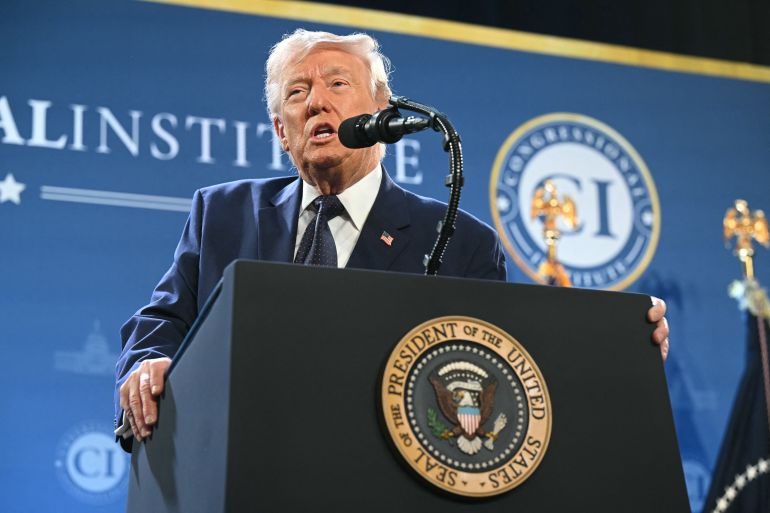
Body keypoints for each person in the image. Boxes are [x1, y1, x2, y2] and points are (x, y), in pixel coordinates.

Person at [115, 29, 670, 448]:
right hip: (241, 461)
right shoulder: (223, 213)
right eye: (297, 92)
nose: (316, 102)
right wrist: (149, 364)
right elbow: (161, 322)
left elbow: (496, 369)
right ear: (282, 131)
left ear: (381, 111)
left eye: (337, 84)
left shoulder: (459, 241)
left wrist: (615, 346)